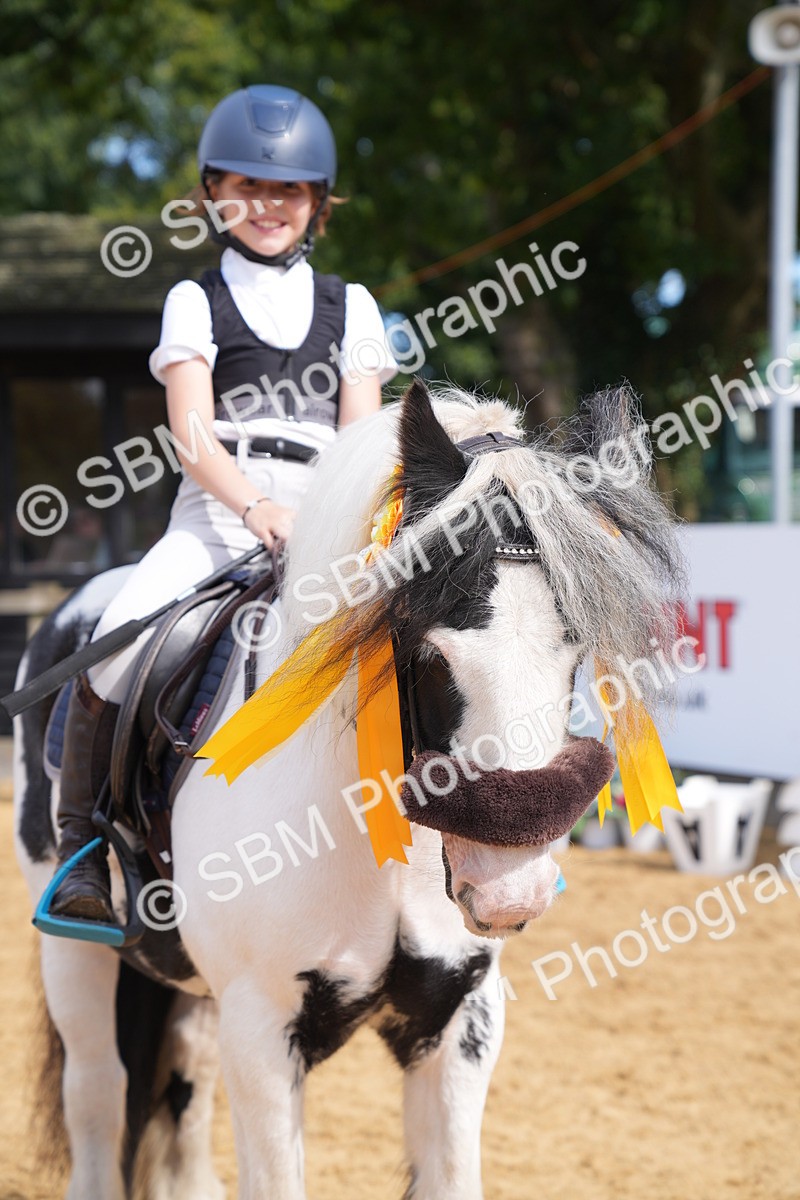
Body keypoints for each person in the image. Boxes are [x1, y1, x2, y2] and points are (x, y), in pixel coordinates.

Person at [52, 84, 397, 922]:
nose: (267, 205)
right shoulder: (194, 300)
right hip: (215, 520)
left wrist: (329, 521)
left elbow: (360, 440)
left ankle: (481, 819)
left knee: (430, 632)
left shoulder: (351, 305)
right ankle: (86, 851)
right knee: (111, 644)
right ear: (213, 193)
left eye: (287, 189)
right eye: (246, 185)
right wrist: (256, 512)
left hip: (328, 518)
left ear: (318, 202)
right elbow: (193, 436)